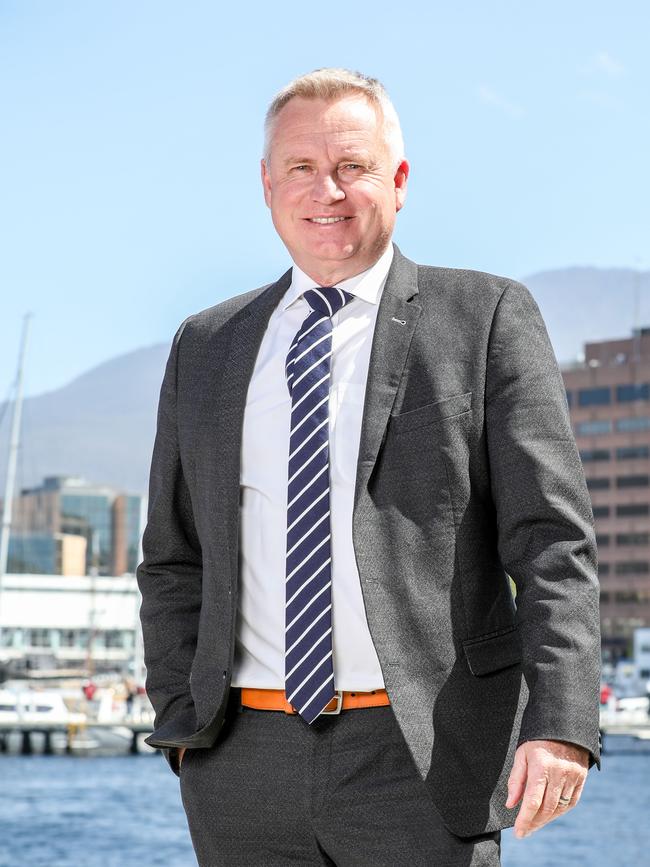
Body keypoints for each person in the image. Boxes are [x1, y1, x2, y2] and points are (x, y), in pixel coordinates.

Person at [136, 68, 601, 866]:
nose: (329, 190)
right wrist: (184, 720)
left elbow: (552, 540)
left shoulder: (484, 317)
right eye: (302, 168)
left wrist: (560, 722)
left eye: (352, 165)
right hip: (239, 759)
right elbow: (174, 557)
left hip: (419, 755)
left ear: (399, 179)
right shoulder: (205, 347)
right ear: (267, 184)